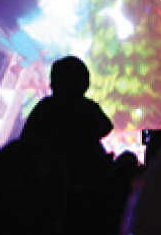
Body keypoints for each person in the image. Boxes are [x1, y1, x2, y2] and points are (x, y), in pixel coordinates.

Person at [20, 55, 113, 184]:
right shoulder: (87, 107)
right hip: (88, 174)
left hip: (51, 178)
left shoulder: (46, 107)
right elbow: (106, 127)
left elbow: (27, 138)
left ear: (54, 83)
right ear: (85, 83)